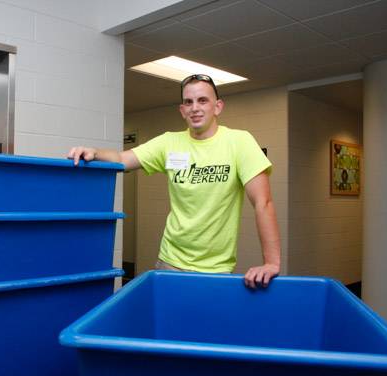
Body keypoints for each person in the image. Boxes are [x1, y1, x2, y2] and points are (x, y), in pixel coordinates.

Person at [68, 74, 280, 289]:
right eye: (189, 102)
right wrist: (94, 152)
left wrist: (271, 263)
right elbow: (122, 159)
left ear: (217, 107)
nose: (195, 108)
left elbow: (263, 202)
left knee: (205, 323)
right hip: (170, 262)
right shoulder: (169, 142)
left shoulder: (239, 142)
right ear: (182, 110)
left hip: (216, 269)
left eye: (202, 100)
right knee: (168, 322)